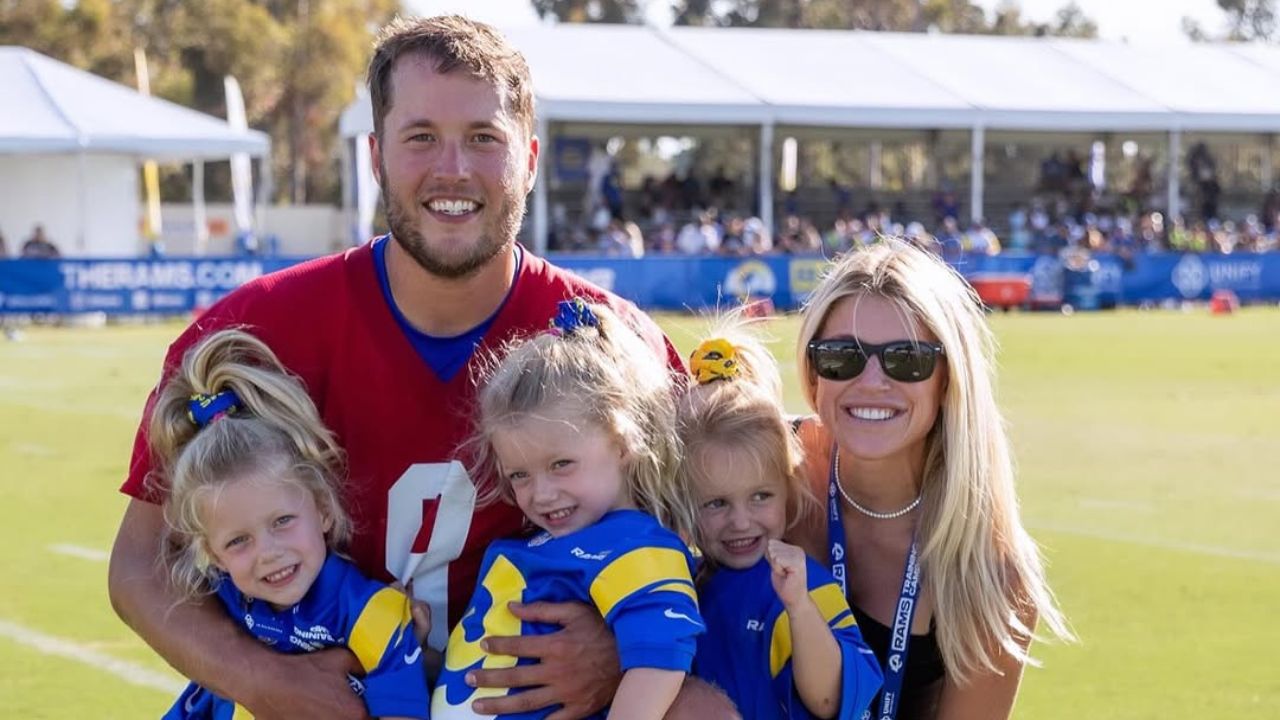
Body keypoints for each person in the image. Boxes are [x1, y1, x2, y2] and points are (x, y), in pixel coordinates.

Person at [108, 15, 730, 720]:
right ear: (376, 156)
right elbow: (138, 568)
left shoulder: (614, 343)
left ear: (528, 157)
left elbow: (725, 544)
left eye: (483, 139)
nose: (454, 169)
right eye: (422, 137)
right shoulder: (255, 332)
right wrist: (264, 682)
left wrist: (622, 650)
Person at [789, 240, 1072, 720]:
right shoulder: (763, 471)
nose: (873, 381)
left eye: (907, 359)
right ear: (814, 376)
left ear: (948, 379)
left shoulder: (993, 576)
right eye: (842, 356)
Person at [433, 299, 702, 719]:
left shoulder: (635, 546)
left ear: (622, 441)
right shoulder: (549, 539)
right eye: (519, 475)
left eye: (561, 466)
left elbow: (661, 659)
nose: (541, 495)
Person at [149, 329, 429, 719]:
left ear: (324, 509)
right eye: (238, 541)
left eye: (282, 521)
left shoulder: (371, 614)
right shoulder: (217, 608)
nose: (268, 552)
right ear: (212, 554)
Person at [677, 316, 882, 720]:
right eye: (716, 503)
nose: (741, 521)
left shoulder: (797, 582)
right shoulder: (682, 579)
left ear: (789, 489)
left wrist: (800, 609)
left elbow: (830, 699)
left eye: (760, 497)